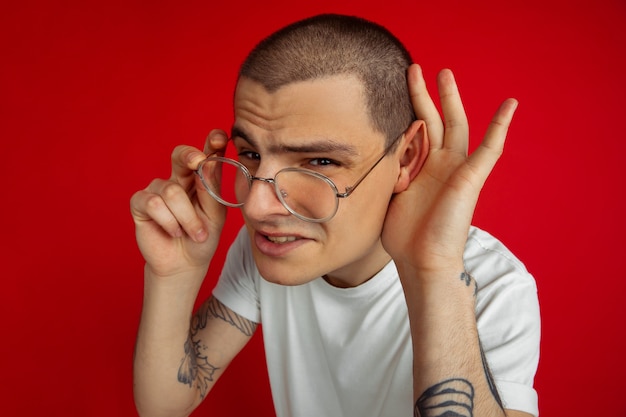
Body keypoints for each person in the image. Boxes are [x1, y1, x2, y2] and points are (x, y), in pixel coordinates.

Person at [130, 14, 540, 417]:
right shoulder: (272, 246)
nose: (257, 207)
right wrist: (174, 274)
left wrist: (433, 273)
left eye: (319, 161)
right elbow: (166, 405)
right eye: (251, 154)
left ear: (408, 157)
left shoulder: (494, 286)